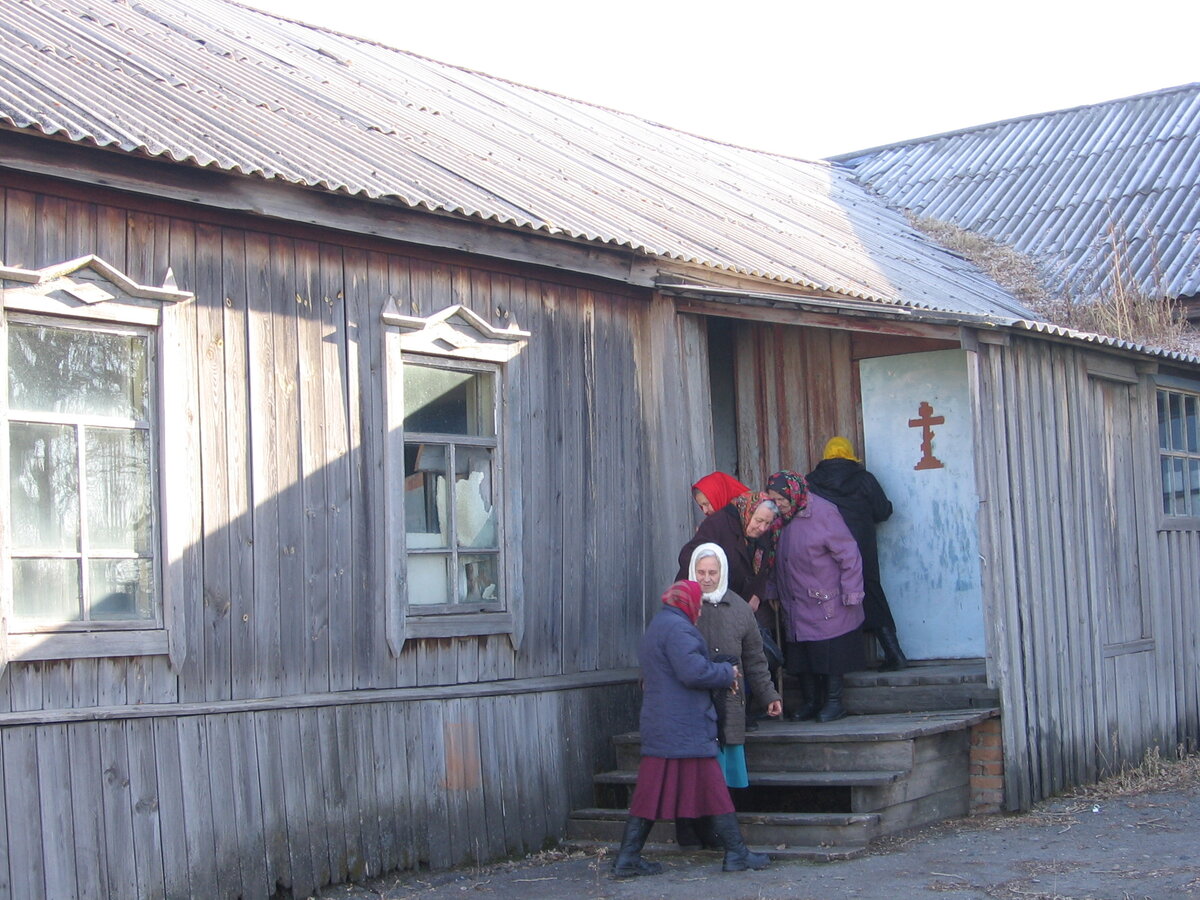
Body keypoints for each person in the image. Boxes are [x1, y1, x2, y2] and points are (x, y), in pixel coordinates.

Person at [613, 580, 771, 877]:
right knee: (713, 789)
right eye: (697, 603)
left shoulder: (661, 625)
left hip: (666, 726)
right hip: (684, 726)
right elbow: (693, 672)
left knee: (650, 793)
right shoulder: (679, 629)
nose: (699, 609)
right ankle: (736, 853)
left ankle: (628, 857)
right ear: (688, 603)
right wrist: (727, 672)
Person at [675, 544, 783, 850]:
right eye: (701, 571)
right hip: (692, 702)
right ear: (692, 571)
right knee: (694, 771)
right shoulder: (682, 607)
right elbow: (664, 646)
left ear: (722, 572)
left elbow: (755, 659)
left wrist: (768, 695)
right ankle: (690, 832)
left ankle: (719, 833)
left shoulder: (739, 609)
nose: (707, 578)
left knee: (725, 773)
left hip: (730, 702)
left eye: (713, 572)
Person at [766, 472, 865, 723]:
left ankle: (833, 703)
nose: (777, 505)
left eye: (781, 499)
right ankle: (811, 701)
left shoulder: (823, 512)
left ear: (794, 493)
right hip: (794, 598)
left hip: (825, 597)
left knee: (829, 654)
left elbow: (849, 554)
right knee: (802, 655)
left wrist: (852, 592)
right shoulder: (780, 518)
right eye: (773, 499)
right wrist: (772, 590)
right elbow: (770, 557)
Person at [806, 436, 907, 670]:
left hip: (826, 549)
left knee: (832, 598)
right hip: (861, 547)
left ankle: (846, 662)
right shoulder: (864, 479)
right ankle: (894, 653)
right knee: (870, 593)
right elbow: (883, 511)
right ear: (850, 454)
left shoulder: (811, 481)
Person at [676, 492, 777, 610]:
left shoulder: (764, 533)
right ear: (747, 512)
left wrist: (757, 595)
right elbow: (687, 557)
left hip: (742, 608)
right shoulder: (718, 524)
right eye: (758, 520)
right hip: (707, 605)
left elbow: (764, 568)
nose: (762, 528)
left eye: (768, 523)